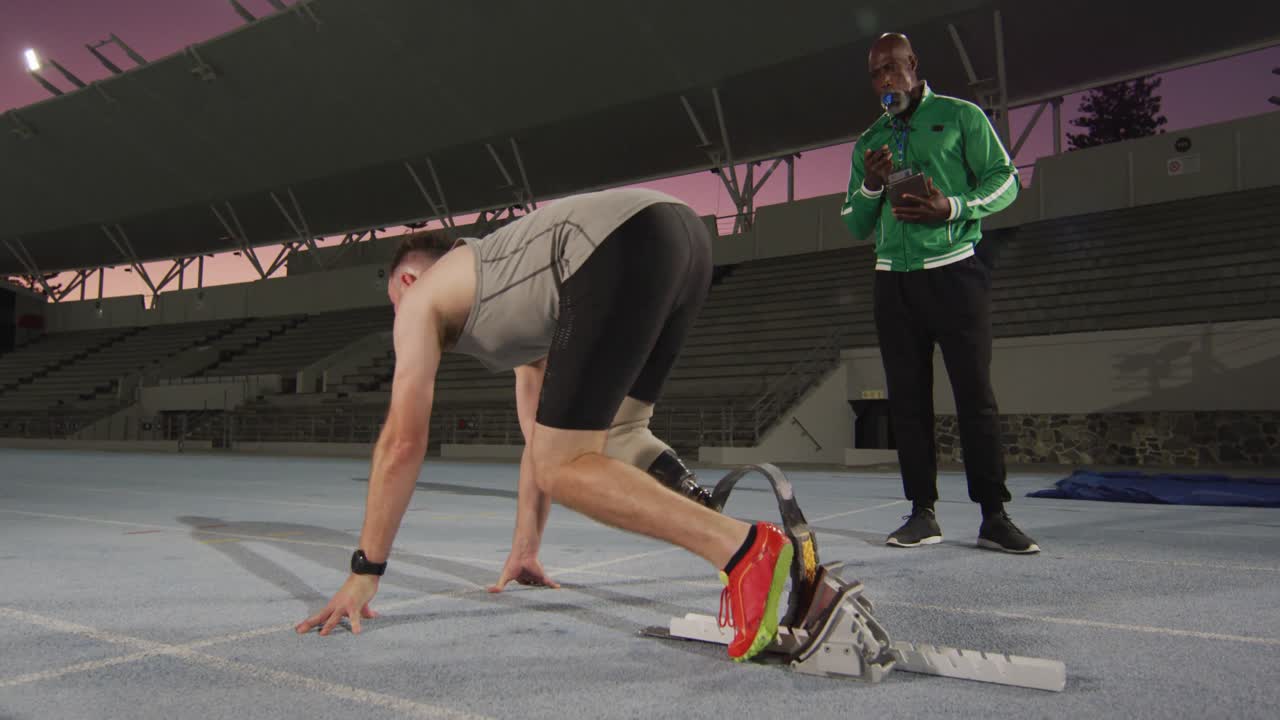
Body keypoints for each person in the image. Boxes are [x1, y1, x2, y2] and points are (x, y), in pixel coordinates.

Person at [295, 188, 795, 663]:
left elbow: (402, 443)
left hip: (619, 241)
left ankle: (744, 549)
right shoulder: (512, 293)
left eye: (392, 303)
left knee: (566, 465)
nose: (397, 317)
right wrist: (526, 547)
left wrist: (366, 569)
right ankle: (787, 559)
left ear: (407, 281)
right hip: (682, 237)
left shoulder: (422, 299)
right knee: (619, 436)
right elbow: (540, 442)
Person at [841, 33, 1039, 554]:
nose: (886, 79)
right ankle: (922, 512)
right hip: (893, 281)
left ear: (914, 66)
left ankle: (994, 515)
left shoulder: (961, 116)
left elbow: (1008, 181)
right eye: (876, 72)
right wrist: (871, 184)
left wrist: (950, 207)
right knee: (907, 403)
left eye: (893, 67)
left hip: (956, 272)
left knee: (976, 397)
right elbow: (855, 224)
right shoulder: (869, 143)